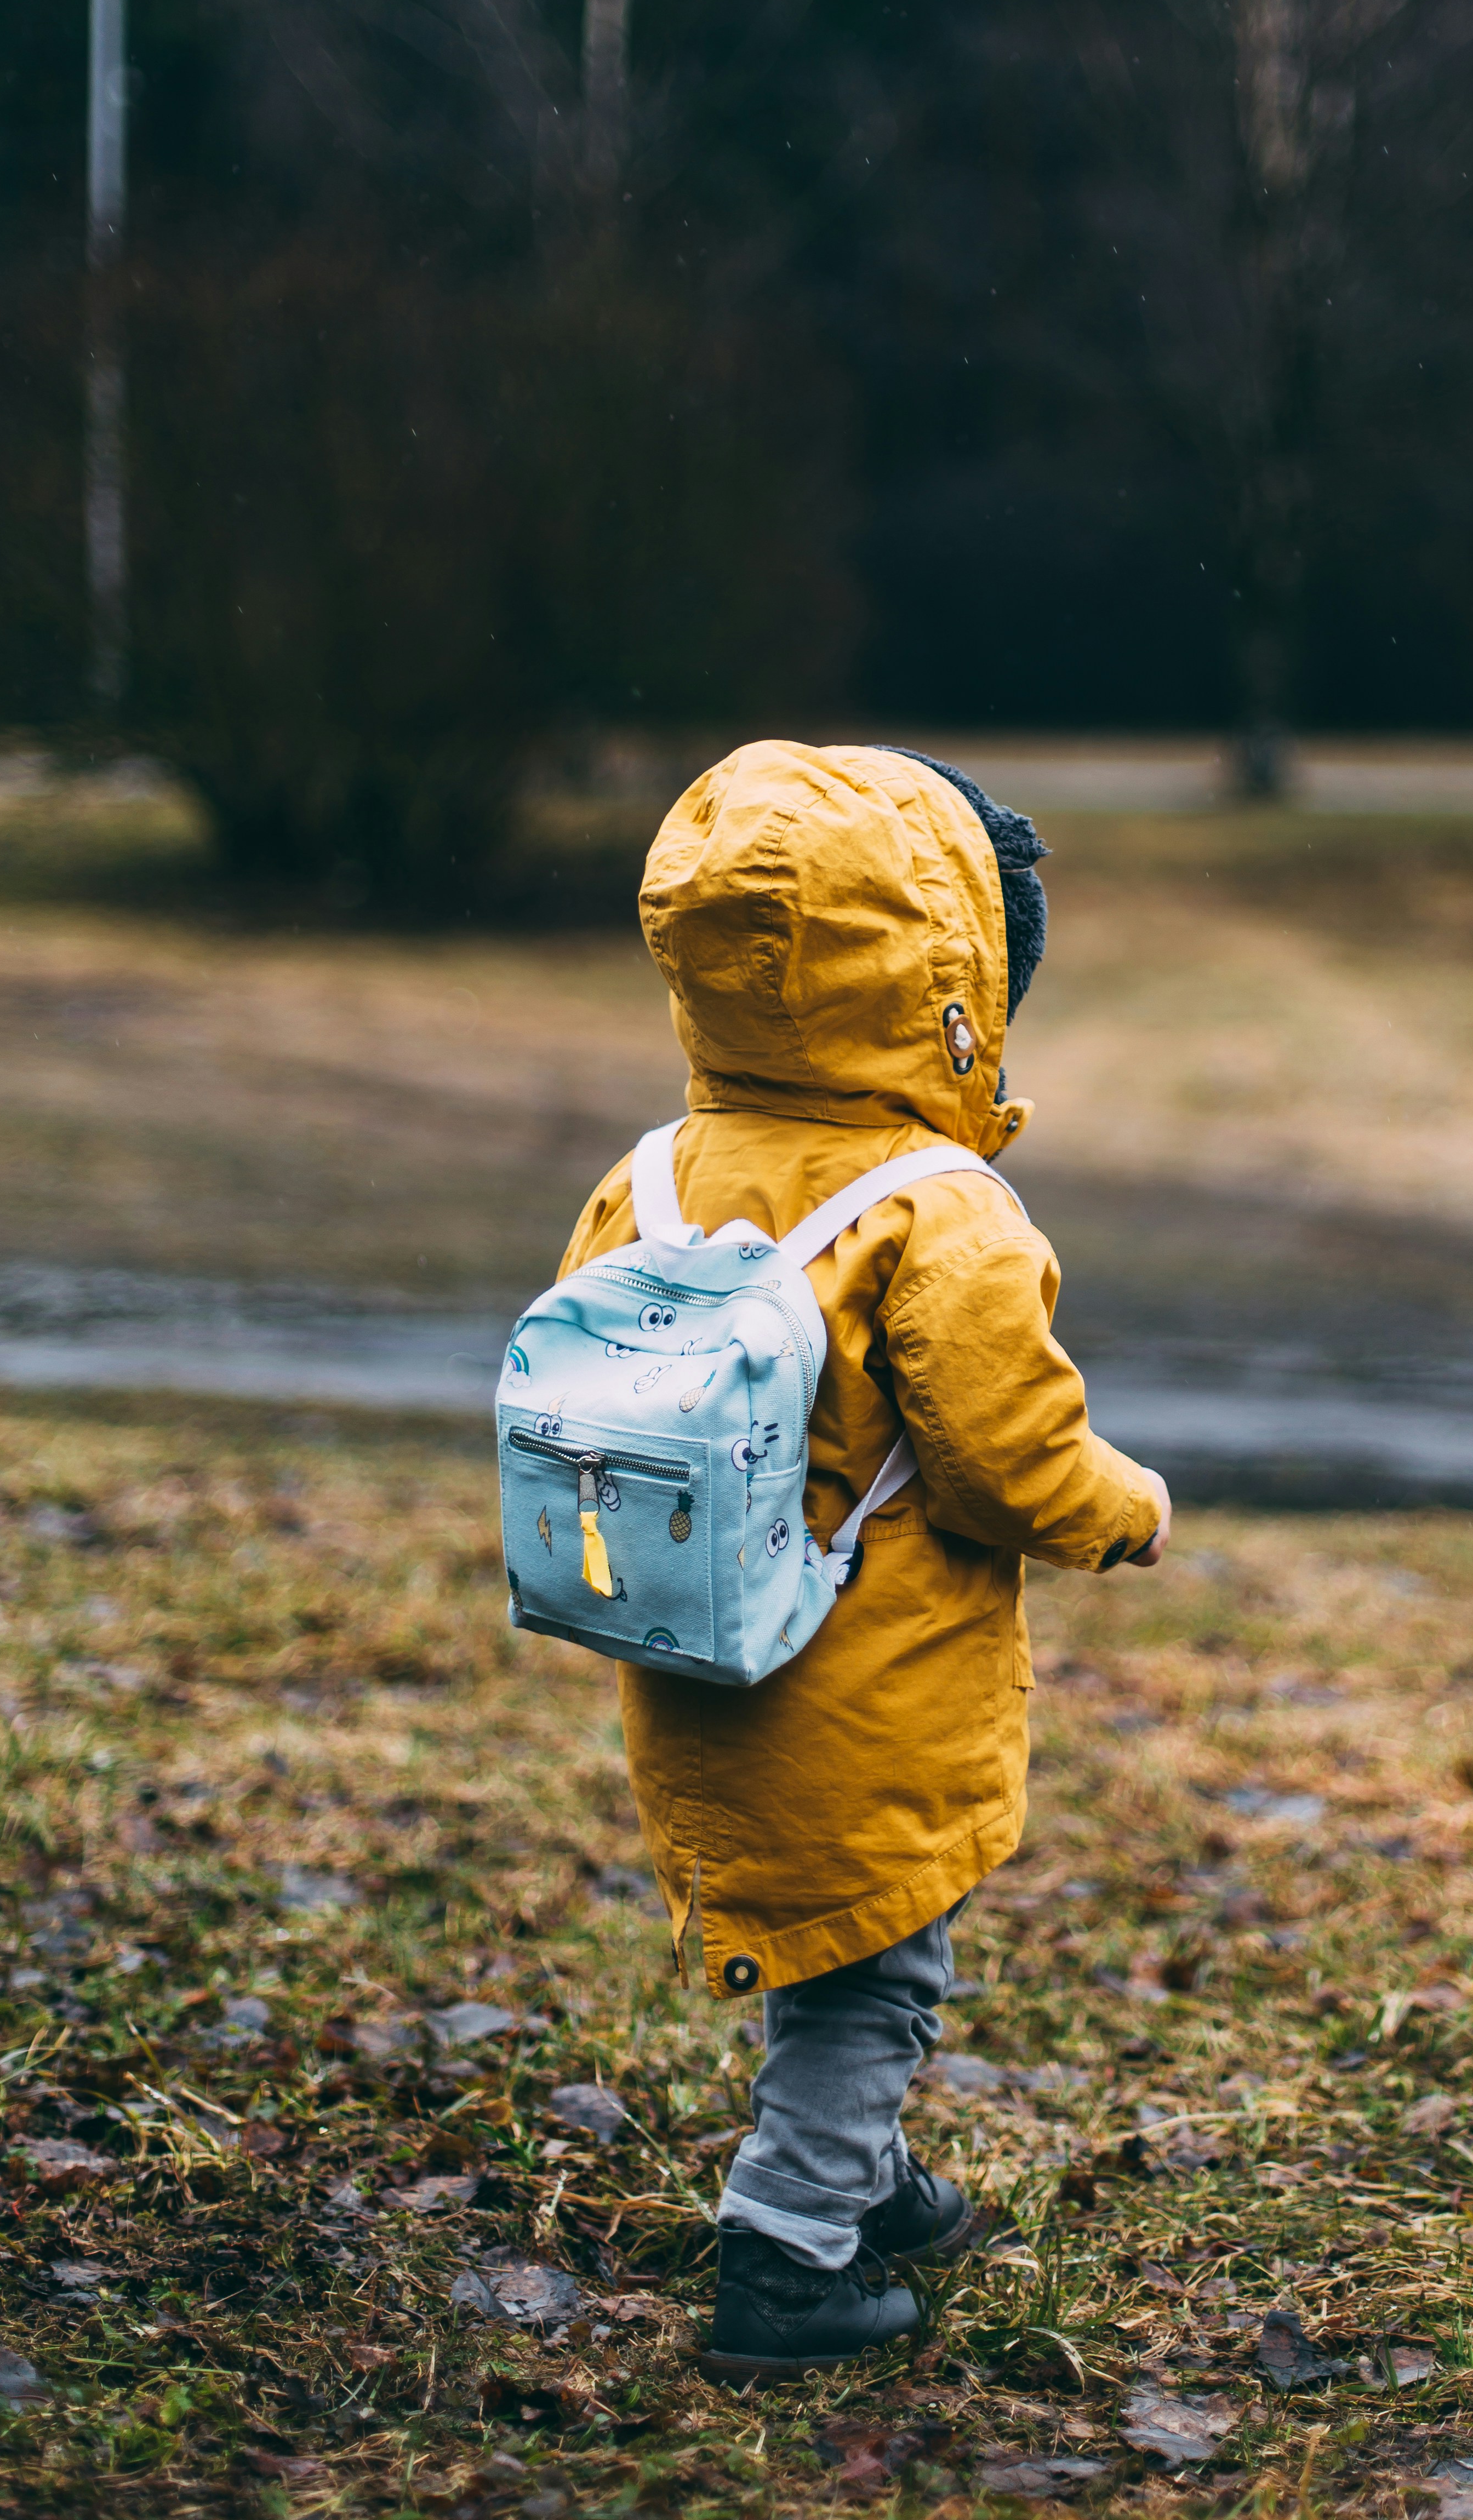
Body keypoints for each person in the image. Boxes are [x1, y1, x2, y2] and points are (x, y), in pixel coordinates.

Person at [556, 739, 1171, 2379]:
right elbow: (1006, 1458)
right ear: (951, 983)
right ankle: (792, 2252)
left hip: (699, 1659)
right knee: (878, 1974)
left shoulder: (654, 1181)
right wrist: (1126, 1505)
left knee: (831, 1939)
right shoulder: (937, 1209)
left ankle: (868, 2177)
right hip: (868, 1679)